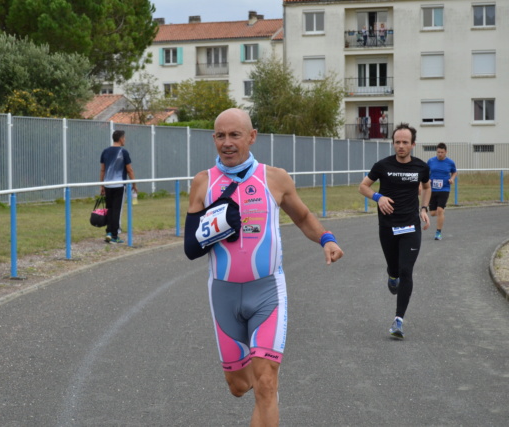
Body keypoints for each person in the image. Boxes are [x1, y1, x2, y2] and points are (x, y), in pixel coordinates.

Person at [184, 108, 343, 426]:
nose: (227, 143)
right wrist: (217, 226)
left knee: (266, 384)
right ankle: (261, 387)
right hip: (224, 295)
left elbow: (302, 217)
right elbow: (190, 248)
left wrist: (326, 238)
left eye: (235, 135)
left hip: (267, 291)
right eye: (220, 136)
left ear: (252, 137)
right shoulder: (203, 183)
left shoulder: (275, 178)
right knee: (240, 386)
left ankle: (267, 392)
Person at [358, 123, 431, 339]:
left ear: (413, 144)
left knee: (406, 271)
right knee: (395, 268)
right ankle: (392, 275)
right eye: (397, 142)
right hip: (388, 227)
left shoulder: (421, 167)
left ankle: (398, 321)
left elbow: (426, 188)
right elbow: (363, 186)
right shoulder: (382, 166)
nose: (400, 146)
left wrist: (424, 208)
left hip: (410, 226)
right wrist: (378, 198)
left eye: (405, 142)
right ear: (393, 143)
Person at [99, 130, 137, 244]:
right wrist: (134, 183)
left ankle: (109, 232)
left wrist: (101, 185)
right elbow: (129, 169)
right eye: (124, 138)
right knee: (116, 210)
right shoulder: (123, 152)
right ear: (120, 139)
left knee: (109, 209)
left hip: (107, 185)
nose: (125, 140)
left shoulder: (105, 151)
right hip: (119, 185)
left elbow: (102, 169)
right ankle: (114, 235)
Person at [427, 143, 457, 240]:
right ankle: (441, 213)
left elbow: (454, 172)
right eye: (438, 152)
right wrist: (428, 180)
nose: (440, 154)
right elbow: (425, 172)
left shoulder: (450, 162)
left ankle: (438, 233)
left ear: (446, 152)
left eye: (442, 152)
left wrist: (452, 179)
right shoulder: (431, 161)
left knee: (440, 210)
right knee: (432, 213)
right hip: (432, 189)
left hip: (444, 188)